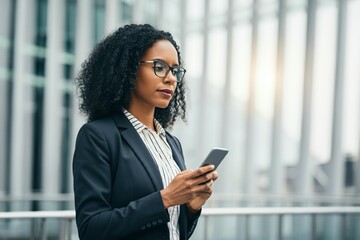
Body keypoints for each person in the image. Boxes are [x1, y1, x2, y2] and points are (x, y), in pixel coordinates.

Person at [72, 24, 218, 240]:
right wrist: (165, 198)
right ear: (128, 69)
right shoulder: (98, 136)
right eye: (159, 67)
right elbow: (91, 229)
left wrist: (191, 208)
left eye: (175, 70)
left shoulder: (171, 142)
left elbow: (174, 232)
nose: (171, 79)